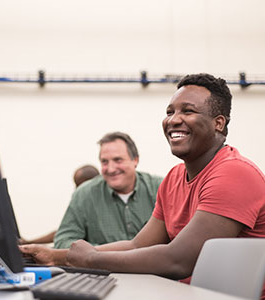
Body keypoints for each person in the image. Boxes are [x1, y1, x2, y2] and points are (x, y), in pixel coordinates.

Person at [20, 73, 265, 295]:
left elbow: (177, 260)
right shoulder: (173, 178)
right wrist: (55, 256)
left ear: (218, 123)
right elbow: (137, 244)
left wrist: (91, 259)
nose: (174, 120)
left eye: (187, 111)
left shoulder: (235, 173)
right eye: (170, 112)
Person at [53, 132, 163, 248]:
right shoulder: (84, 194)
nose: (110, 169)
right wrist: (99, 253)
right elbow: (63, 241)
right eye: (104, 162)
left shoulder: (161, 188)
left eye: (118, 160)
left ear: (135, 160)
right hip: (102, 265)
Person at [19, 165, 99, 245]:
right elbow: (64, 233)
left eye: (79, 185)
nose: (75, 190)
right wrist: (29, 242)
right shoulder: (82, 204)